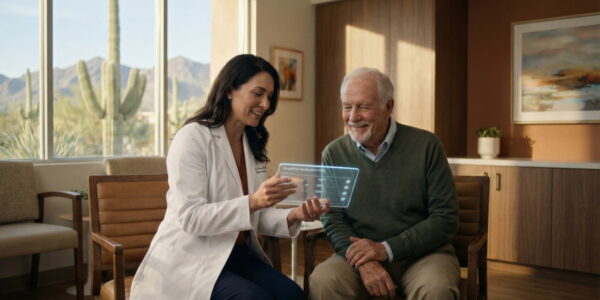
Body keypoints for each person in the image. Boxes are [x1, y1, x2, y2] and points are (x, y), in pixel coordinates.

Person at [130, 54, 330, 300]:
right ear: (229, 90)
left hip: (236, 254)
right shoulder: (192, 138)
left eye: (269, 96)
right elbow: (191, 218)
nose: (266, 104)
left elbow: (256, 215)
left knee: (293, 294)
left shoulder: (252, 143)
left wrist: (294, 215)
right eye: (258, 93)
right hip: (192, 256)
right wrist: (254, 201)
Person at [309, 67, 459, 300]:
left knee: (436, 290)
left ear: (388, 107)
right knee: (324, 280)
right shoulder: (334, 153)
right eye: (347, 106)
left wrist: (384, 250)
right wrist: (365, 262)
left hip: (422, 256)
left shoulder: (427, 145)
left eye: (364, 106)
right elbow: (333, 217)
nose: (353, 116)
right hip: (358, 256)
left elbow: (445, 218)